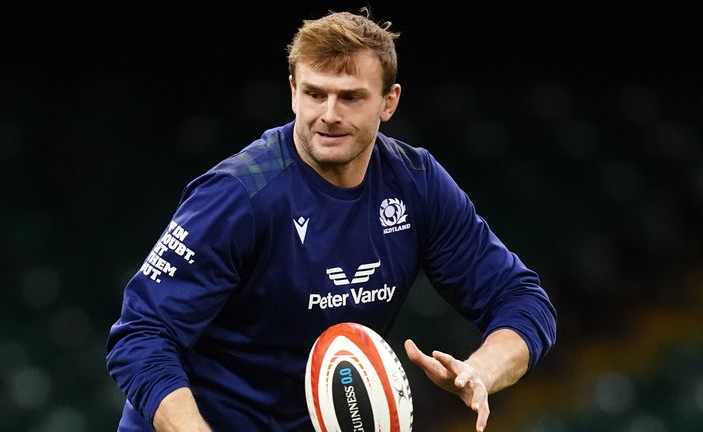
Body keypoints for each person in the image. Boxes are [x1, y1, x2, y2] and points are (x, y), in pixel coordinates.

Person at [106, 8, 556, 432]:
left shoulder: (416, 184)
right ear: (292, 91)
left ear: (389, 101)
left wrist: (479, 371)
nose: (329, 115)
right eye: (314, 93)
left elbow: (521, 299)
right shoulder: (238, 194)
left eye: (350, 97)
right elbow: (142, 337)